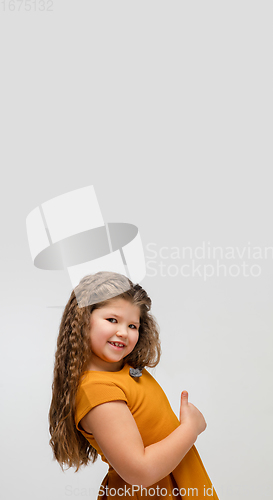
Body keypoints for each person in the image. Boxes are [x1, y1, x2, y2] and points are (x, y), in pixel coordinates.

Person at [49, 271, 219, 499]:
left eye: (133, 326)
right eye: (112, 320)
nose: (123, 332)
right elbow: (140, 471)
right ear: (82, 319)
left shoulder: (127, 368)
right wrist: (191, 428)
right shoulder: (97, 391)